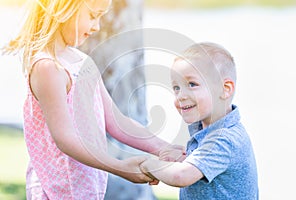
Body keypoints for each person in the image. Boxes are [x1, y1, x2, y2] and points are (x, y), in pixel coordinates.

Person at [2, 0, 185, 199]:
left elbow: (117, 122)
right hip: (55, 191)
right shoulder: (48, 68)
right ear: (65, 8)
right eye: (92, 16)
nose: (96, 26)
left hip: (86, 188)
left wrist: (163, 148)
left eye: (100, 17)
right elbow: (65, 139)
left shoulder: (83, 62)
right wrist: (120, 167)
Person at [140, 42, 259, 199]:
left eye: (192, 84)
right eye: (176, 87)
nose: (181, 95)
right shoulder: (210, 131)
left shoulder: (224, 138)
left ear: (225, 89)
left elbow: (181, 176)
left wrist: (148, 166)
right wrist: (181, 160)